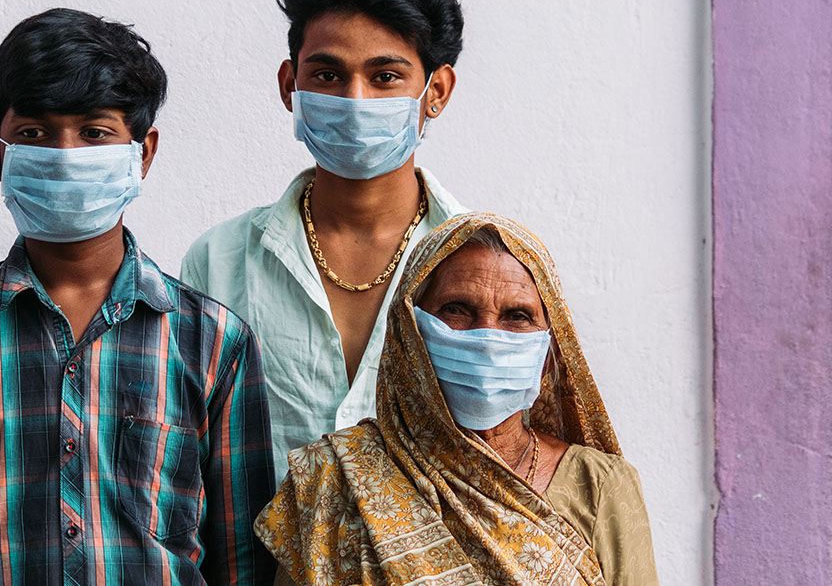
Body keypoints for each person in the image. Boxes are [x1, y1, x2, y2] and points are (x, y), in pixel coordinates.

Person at [0, 8, 276, 585]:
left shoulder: (215, 342)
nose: (66, 156)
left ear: (143, 151)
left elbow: (245, 562)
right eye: (35, 134)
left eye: (94, 132)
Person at [182, 0, 469, 482]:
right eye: (328, 75)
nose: (355, 98)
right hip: (264, 568)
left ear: (437, 92)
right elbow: (190, 466)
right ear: (291, 85)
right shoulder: (218, 264)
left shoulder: (482, 264)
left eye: (385, 76)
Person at [255, 212, 659, 586]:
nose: (486, 336)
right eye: (457, 310)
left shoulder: (600, 484)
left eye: (517, 316)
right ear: (409, 332)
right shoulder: (335, 478)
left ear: (549, 349)